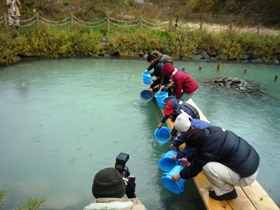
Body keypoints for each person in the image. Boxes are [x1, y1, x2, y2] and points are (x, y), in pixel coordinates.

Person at [171, 127, 260, 201]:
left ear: (198, 145)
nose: (192, 149)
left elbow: (193, 170)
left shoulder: (207, 151)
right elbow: (199, 150)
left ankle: (227, 192)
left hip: (246, 177)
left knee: (208, 167)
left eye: (192, 147)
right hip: (251, 163)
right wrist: (188, 158)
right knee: (213, 158)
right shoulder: (210, 131)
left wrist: (179, 175)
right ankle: (228, 182)